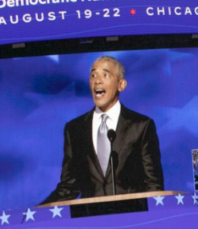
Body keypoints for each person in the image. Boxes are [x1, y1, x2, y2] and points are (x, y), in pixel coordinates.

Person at [42, 56, 164, 205]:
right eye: (93, 75)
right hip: (91, 222)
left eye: (105, 75)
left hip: (132, 219)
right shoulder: (74, 129)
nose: (97, 81)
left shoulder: (142, 126)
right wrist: (35, 213)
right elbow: (68, 188)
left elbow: (153, 185)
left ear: (121, 85)